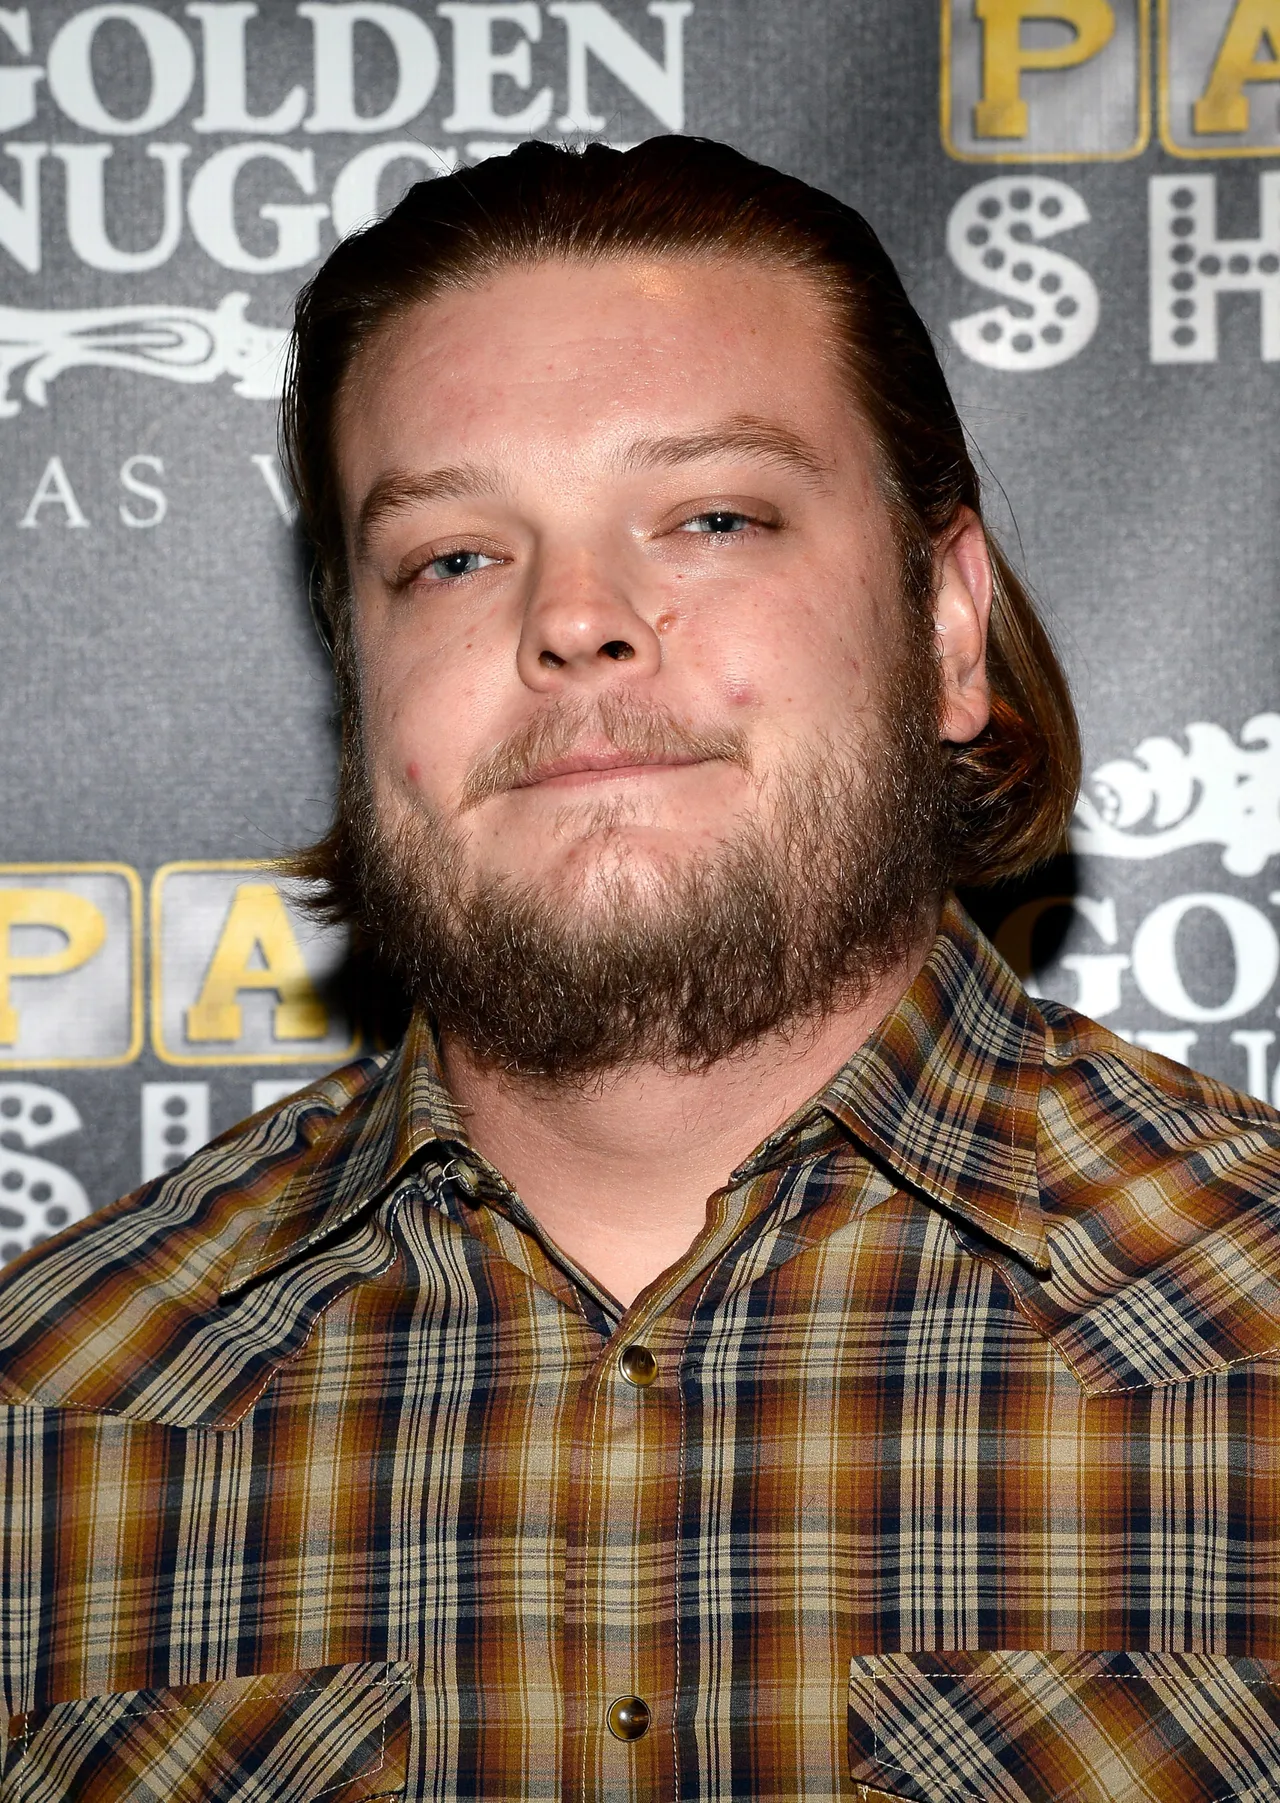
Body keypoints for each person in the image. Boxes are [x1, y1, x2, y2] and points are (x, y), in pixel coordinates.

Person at [1, 138, 1278, 1803]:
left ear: (949, 627)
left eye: (714, 516)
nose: (578, 619)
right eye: (453, 555)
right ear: (360, 671)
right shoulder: (50, 1415)